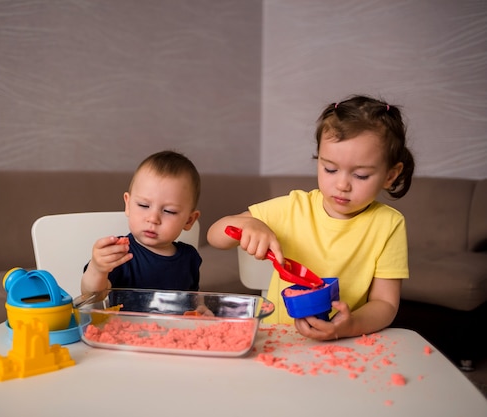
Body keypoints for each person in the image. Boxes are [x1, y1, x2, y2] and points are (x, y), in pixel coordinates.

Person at [207, 94, 415, 341]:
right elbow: (215, 236)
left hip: (346, 342)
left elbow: (385, 304)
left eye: (360, 175)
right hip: (278, 339)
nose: (342, 185)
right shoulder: (292, 207)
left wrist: (348, 326)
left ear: (390, 175)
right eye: (330, 169)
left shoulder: (388, 224)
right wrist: (248, 224)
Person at [81, 150, 202, 296]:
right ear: (128, 204)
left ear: (189, 220)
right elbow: (92, 296)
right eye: (144, 205)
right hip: (124, 320)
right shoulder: (119, 254)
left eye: (169, 211)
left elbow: (193, 299)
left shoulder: (190, 258)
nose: (153, 219)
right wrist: (97, 269)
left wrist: (201, 309)